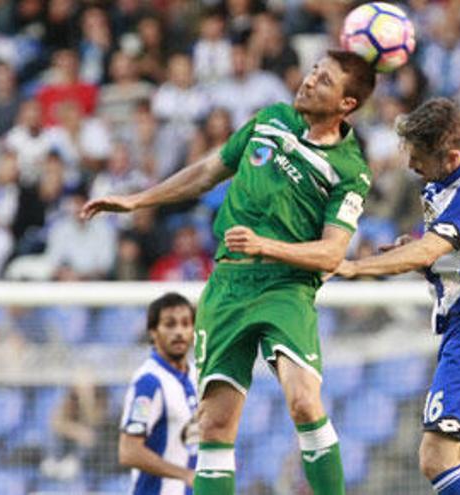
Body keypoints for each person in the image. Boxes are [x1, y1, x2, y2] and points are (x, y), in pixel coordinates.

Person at [81, 50, 377, 495]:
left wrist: (265, 246)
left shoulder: (350, 170)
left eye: (325, 80)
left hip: (285, 288)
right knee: (215, 424)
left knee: (302, 401)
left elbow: (333, 253)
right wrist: (138, 200)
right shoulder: (270, 119)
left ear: (346, 105)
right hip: (229, 284)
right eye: (313, 70)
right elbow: (205, 172)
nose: (309, 80)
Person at [335, 97, 460, 495]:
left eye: (419, 158)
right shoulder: (447, 181)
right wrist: (423, 253)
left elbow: (427, 251)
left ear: (452, 156)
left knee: (436, 458)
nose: (411, 166)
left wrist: (356, 268)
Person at [119, 292, 198, 494]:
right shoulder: (149, 382)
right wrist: (185, 474)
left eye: (185, 323)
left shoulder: (196, 376)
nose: (179, 332)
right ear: (153, 331)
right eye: (170, 324)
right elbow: (129, 452)